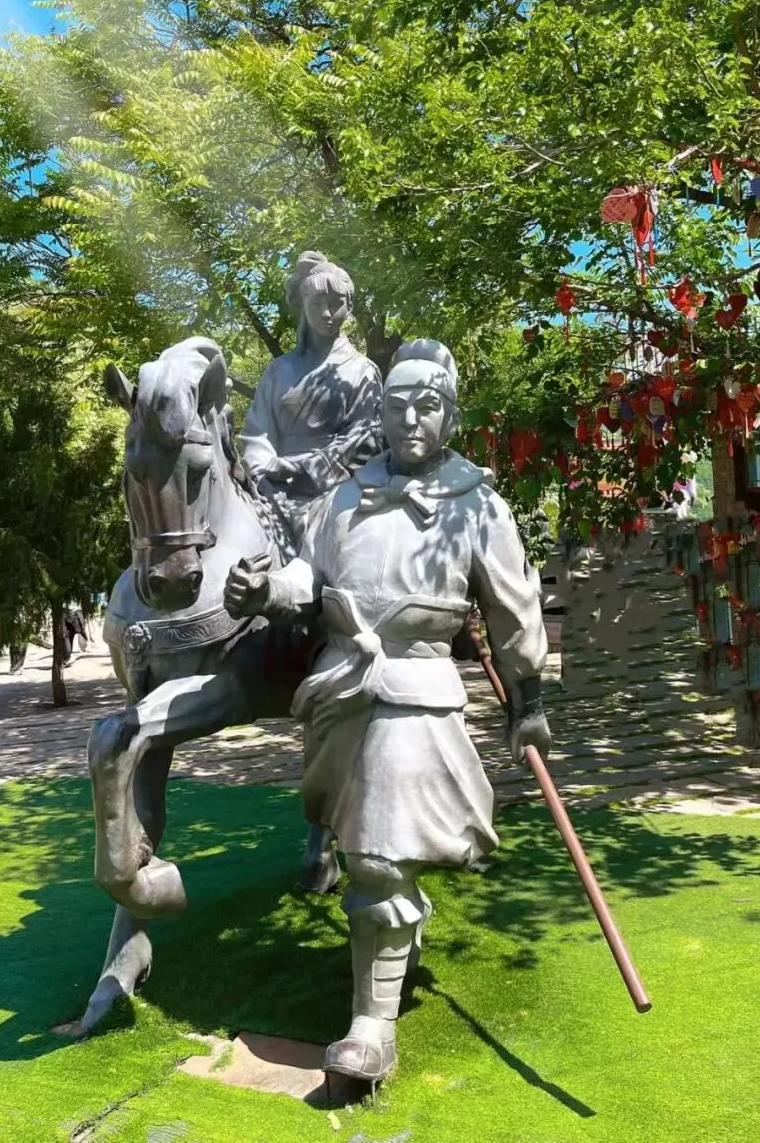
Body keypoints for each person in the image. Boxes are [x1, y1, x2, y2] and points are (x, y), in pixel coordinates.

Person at [224, 338, 551, 1084]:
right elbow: (309, 576)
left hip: (416, 691)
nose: (409, 418)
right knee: (364, 848)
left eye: (426, 405)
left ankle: (371, 1026)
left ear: (451, 416)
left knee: (375, 855)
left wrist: (527, 700)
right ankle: (399, 932)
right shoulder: (344, 497)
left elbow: (514, 610)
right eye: (397, 404)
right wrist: (265, 591)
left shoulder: (478, 505)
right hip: (339, 691)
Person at [240, 252, 383, 555]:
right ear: (304, 305)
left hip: (336, 491)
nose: (326, 313)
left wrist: (303, 469)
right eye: (316, 304)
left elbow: (364, 438)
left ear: (349, 306)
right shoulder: (279, 370)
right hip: (271, 488)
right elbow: (257, 432)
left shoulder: (363, 370)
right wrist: (263, 474)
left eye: (336, 303)